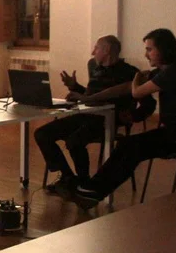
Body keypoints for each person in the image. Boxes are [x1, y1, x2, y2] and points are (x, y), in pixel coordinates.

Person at [68, 29, 176, 209]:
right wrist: (90, 98)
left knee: (132, 147)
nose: (146, 54)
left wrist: (136, 79)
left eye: (149, 49)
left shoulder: (175, 72)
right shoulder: (168, 70)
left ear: (164, 49)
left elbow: (136, 92)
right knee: (129, 145)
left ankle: (93, 191)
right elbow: (123, 88)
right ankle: (93, 190)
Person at [35, 36, 153, 194]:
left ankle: (84, 184)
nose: (92, 52)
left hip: (107, 120)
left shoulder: (130, 73)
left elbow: (149, 103)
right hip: (85, 115)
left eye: (96, 48)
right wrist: (75, 87)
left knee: (74, 141)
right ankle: (68, 177)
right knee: (42, 134)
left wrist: (134, 115)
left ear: (107, 50)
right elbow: (92, 96)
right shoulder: (97, 69)